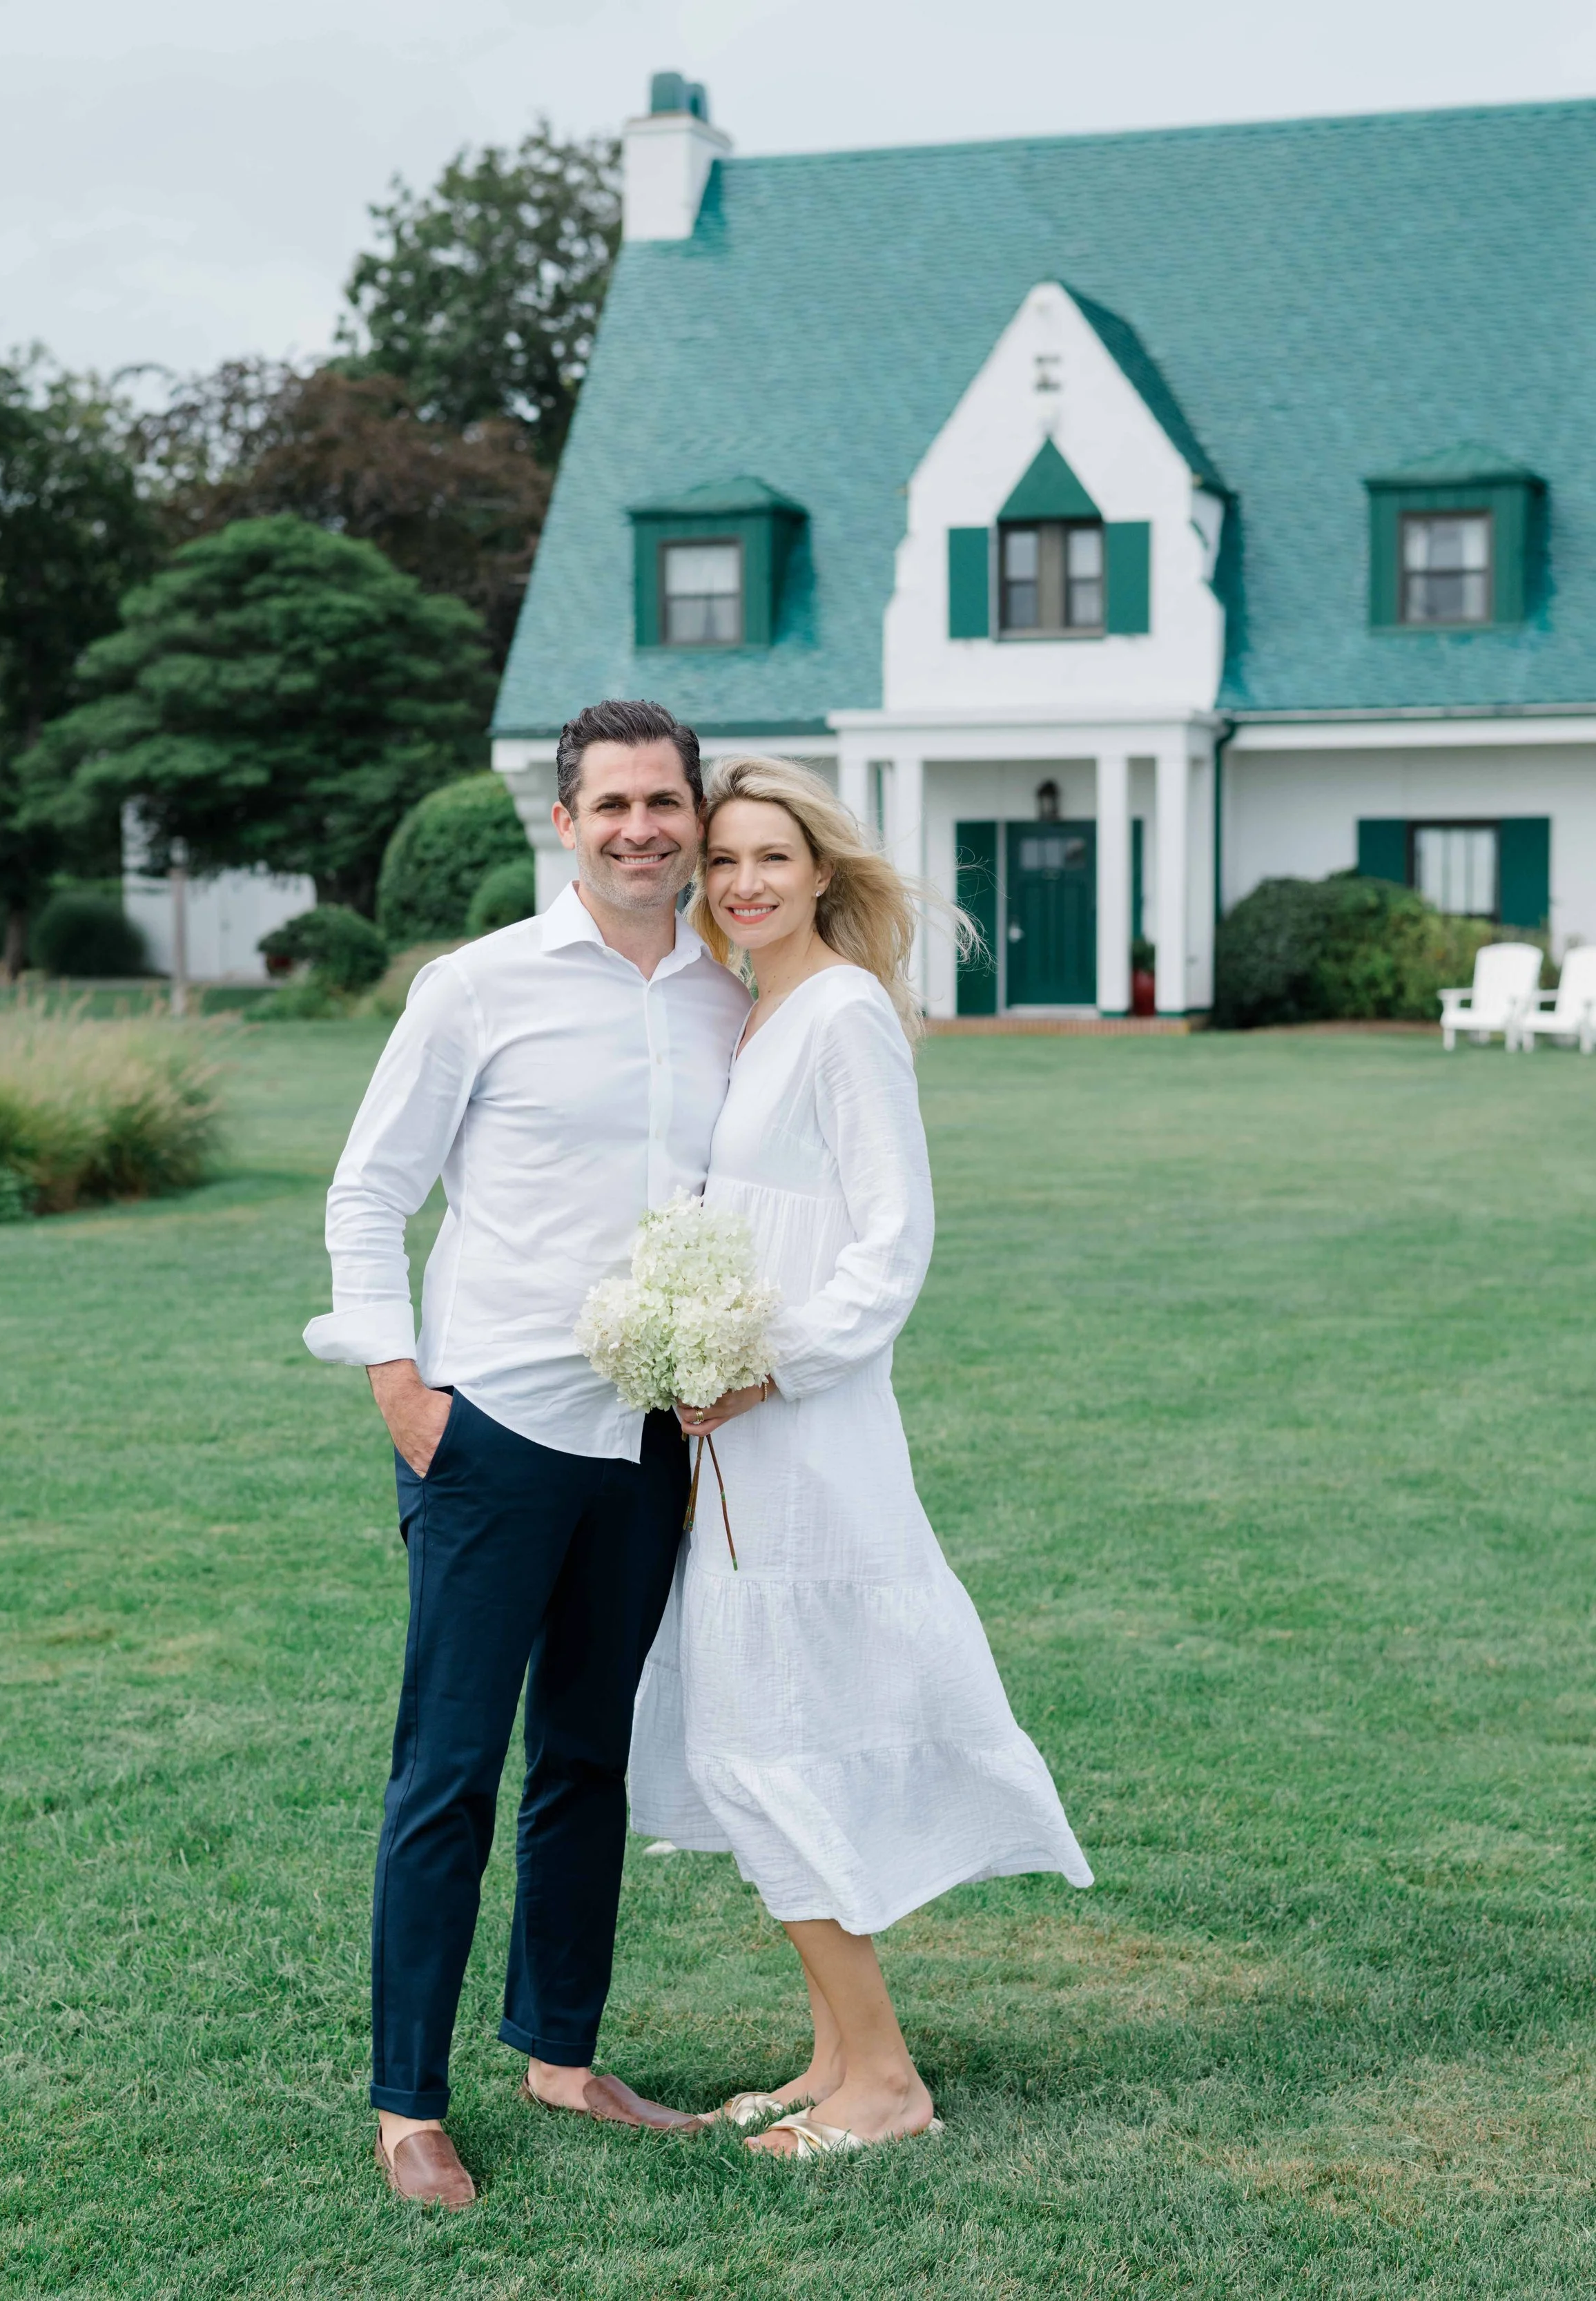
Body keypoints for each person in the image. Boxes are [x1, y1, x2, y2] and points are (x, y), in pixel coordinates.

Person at [304, 699, 750, 2207]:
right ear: (565, 824)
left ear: (696, 818)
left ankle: (562, 2054)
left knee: (585, 1757)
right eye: (611, 803)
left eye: (663, 802)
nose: (641, 828)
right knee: (448, 1769)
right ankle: (407, 2106)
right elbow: (369, 1191)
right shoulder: (477, 987)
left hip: (646, 1442)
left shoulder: (728, 999)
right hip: (489, 1428)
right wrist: (402, 1386)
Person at [629, 753, 1093, 2159]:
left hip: (808, 1434)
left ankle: (885, 2084)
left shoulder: (839, 1014)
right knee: (769, 1729)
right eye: (721, 861)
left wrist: (767, 1365)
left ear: (822, 869)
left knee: (764, 1738)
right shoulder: (756, 1011)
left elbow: (892, 1246)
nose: (742, 882)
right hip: (738, 1439)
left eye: (770, 856)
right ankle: (834, 2056)